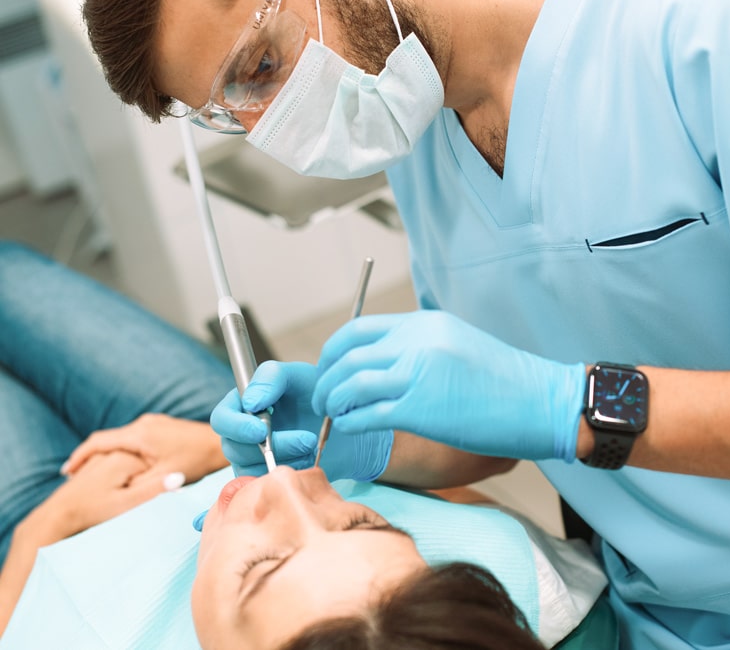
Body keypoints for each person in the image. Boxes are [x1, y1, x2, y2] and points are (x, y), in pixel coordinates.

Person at [80, 0, 730, 647]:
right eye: (231, 111)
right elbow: (502, 430)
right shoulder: (415, 122)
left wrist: (568, 403)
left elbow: (544, 406)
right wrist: (364, 442)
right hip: (656, 616)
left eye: (262, 66)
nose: (270, 128)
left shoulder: (718, 30)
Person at [0, 242, 610, 648]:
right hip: (225, 441)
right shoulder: (509, 606)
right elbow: (458, 498)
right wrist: (216, 450)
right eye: (361, 523)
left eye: (262, 565)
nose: (292, 487)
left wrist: (48, 525)